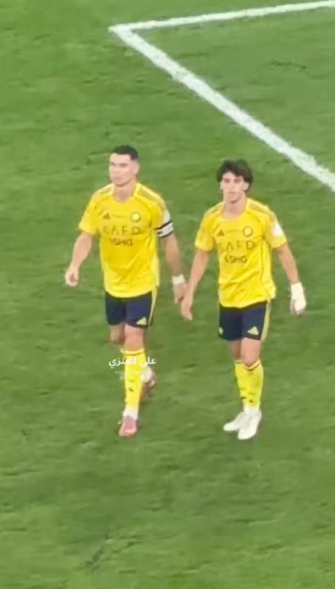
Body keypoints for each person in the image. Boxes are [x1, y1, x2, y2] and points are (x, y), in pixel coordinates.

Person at [180, 160, 306, 440]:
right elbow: (202, 255)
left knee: (250, 356)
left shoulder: (262, 215)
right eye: (226, 181)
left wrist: (296, 289)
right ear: (220, 185)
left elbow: (283, 251)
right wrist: (189, 293)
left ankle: (254, 411)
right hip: (228, 297)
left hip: (257, 295)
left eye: (237, 181)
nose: (231, 187)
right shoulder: (212, 218)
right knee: (236, 355)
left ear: (246, 185)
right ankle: (246, 408)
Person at [65, 145, 186, 437]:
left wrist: (178, 278)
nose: (116, 171)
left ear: (135, 169)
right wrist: (75, 265)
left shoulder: (151, 203)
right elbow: (86, 235)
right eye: (113, 165)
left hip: (143, 283)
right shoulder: (100, 200)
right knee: (117, 337)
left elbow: (169, 240)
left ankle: (130, 413)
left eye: (122, 165)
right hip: (113, 283)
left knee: (133, 339)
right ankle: (145, 374)